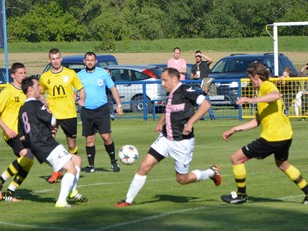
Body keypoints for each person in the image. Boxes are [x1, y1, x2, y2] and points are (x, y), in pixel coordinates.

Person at [115, 68, 222, 208]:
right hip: (165, 139)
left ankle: (210, 173)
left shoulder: (186, 90)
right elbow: (169, 109)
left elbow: (206, 105)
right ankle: (127, 201)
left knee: (182, 180)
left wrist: (190, 122)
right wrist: (160, 122)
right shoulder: (170, 94)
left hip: (182, 142)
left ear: (175, 79)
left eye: (164, 80)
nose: (162, 83)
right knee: (144, 166)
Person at [221, 62, 308, 204]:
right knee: (283, 164)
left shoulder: (266, 86)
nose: (250, 81)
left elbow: (275, 96)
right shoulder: (261, 92)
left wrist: (252, 99)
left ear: (256, 76)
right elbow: (257, 121)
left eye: (250, 78)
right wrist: (235, 129)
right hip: (285, 136)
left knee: (236, 158)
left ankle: (241, 195)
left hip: (272, 138)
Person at [18, 76, 87, 207]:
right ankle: (61, 201)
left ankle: (72, 191)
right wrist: (48, 109)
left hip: (39, 146)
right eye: (38, 86)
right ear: (30, 89)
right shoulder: (37, 104)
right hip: (46, 144)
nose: (40, 89)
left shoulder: (22, 109)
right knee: (71, 170)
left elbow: (22, 135)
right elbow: (53, 121)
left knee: (77, 160)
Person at [39, 48, 85, 183]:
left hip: (69, 113)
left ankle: (73, 167)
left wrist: (81, 99)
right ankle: (57, 171)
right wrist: (43, 102)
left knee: (71, 145)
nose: (55, 61)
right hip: (52, 114)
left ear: (61, 58)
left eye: (57, 58)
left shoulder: (70, 74)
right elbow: (39, 92)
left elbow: (81, 89)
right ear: (49, 60)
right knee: (49, 142)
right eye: (53, 59)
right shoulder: (45, 77)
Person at [0, 62, 34, 202]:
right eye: (20, 73)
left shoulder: (25, 91)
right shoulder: (7, 91)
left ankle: (9, 193)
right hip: (12, 133)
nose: (23, 75)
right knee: (27, 156)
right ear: (13, 75)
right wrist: (7, 129)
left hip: (24, 133)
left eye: (24, 73)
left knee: (29, 161)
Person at [77, 52, 123, 173]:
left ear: (96, 61)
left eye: (92, 60)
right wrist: (77, 101)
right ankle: (91, 166)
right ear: (84, 61)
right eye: (88, 60)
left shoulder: (102, 73)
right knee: (89, 139)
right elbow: (73, 92)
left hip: (102, 110)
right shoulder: (79, 75)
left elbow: (113, 88)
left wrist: (119, 105)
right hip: (87, 111)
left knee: (106, 137)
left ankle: (113, 162)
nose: (90, 62)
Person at [190, 50, 215, 120]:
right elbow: (191, 77)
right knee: (198, 102)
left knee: (207, 101)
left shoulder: (205, 64)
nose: (197, 58)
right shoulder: (193, 66)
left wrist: (202, 55)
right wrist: (193, 76)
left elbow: (211, 60)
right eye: (196, 56)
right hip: (196, 84)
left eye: (199, 56)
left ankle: (212, 117)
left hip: (204, 84)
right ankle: (201, 117)